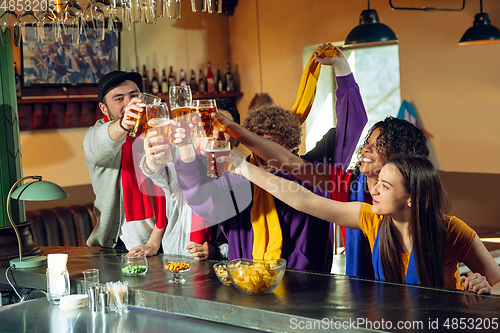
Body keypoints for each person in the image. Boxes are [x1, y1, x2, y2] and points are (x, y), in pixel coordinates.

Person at [173, 44, 367, 272]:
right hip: (248, 286)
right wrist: (185, 151)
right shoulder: (237, 177)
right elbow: (201, 200)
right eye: (258, 144)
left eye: (272, 146)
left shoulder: (313, 171)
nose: (265, 155)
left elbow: (351, 123)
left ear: (291, 145)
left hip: (308, 290)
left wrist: (340, 66)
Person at [224, 154, 500, 295]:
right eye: (377, 182)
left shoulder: (451, 231)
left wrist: (485, 290)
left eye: (386, 186)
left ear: (411, 199)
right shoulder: (372, 219)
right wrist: (243, 167)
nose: (375, 190)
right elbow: (304, 200)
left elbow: (497, 281)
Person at [129, 99, 239, 260]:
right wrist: (152, 157)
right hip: (174, 259)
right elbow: (157, 172)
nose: (216, 135)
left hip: (222, 268)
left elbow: (248, 240)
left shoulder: (245, 176)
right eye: (208, 125)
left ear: (237, 139)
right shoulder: (179, 164)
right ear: (197, 132)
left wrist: (218, 251)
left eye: (225, 128)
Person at [83, 71, 166, 250]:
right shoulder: (95, 135)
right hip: (116, 246)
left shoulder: (157, 131)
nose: (129, 104)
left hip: (164, 241)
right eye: (119, 99)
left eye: (134, 96)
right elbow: (102, 143)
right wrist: (124, 124)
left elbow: (173, 189)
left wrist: (155, 241)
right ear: (104, 108)